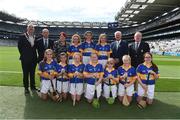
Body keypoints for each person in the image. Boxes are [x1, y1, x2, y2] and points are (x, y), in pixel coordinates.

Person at [17, 23, 37, 94]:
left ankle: (33, 86)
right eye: (30, 28)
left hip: (33, 59)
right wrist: (24, 55)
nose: (31, 29)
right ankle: (26, 88)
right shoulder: (22, 36)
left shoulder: (35, 37)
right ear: (27, 29)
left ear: (34, 30)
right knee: (25, 74)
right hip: (25, 59)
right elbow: (19, 47)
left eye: (32, 28)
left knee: (32, 73)